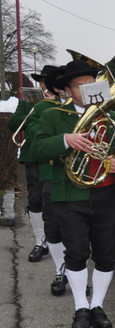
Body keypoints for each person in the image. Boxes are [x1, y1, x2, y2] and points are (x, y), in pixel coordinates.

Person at [32, 59, 115, 328]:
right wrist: (65, 140)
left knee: (106, 254)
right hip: (70, 194)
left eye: (92, 84)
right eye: (80, 86)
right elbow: (36, 149)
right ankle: (80, 308)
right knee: (77, 253)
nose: (88, 90)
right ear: (67, 90)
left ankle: (96, 306)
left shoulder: (114, 119)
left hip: (107, 194)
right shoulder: (53, 116)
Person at [22, 65, 73, 296]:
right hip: (54, 173)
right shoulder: (44, 107)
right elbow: (33, 137)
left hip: (84, 177)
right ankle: (61, 269)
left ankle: (83, 270)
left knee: (83, 226)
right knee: (53, 224)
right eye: (64, 84)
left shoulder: (90, 109)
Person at [9, 65, 58, 263]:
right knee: (36, 200)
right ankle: (40, 241)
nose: (44, 85)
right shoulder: (27, 101)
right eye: (42, 81)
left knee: (55, 201)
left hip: (56, 157)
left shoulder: (64, 101)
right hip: (33, 156)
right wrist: (35, 113)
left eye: (48, 81)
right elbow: (13, 123)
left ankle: (59, 240)